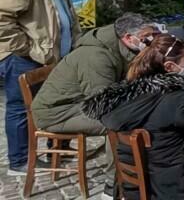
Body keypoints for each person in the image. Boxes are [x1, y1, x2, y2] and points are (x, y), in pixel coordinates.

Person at [82, 35, 184, 200]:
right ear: (170, 66)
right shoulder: (179, 100)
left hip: (133, 186)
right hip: (177, 186)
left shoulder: (120, 99)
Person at [32, 13, 159, 192]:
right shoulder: (96, 56)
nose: (150, 41)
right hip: (57, 113)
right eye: (146, 38)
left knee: (141, 112)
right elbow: (103, 102)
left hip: (77, 103)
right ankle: (115, 183)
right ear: (128, 37)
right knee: (117, 124)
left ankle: (144, 165)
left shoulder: (118, 46)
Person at [0, 0, 81, 176]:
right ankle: (20, 161)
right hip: (25, 58)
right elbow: (2, 19)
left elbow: (64, 17)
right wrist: (25, 48)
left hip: (55, 58)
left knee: (57, 102)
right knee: (21, 108)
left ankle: (57, 150)